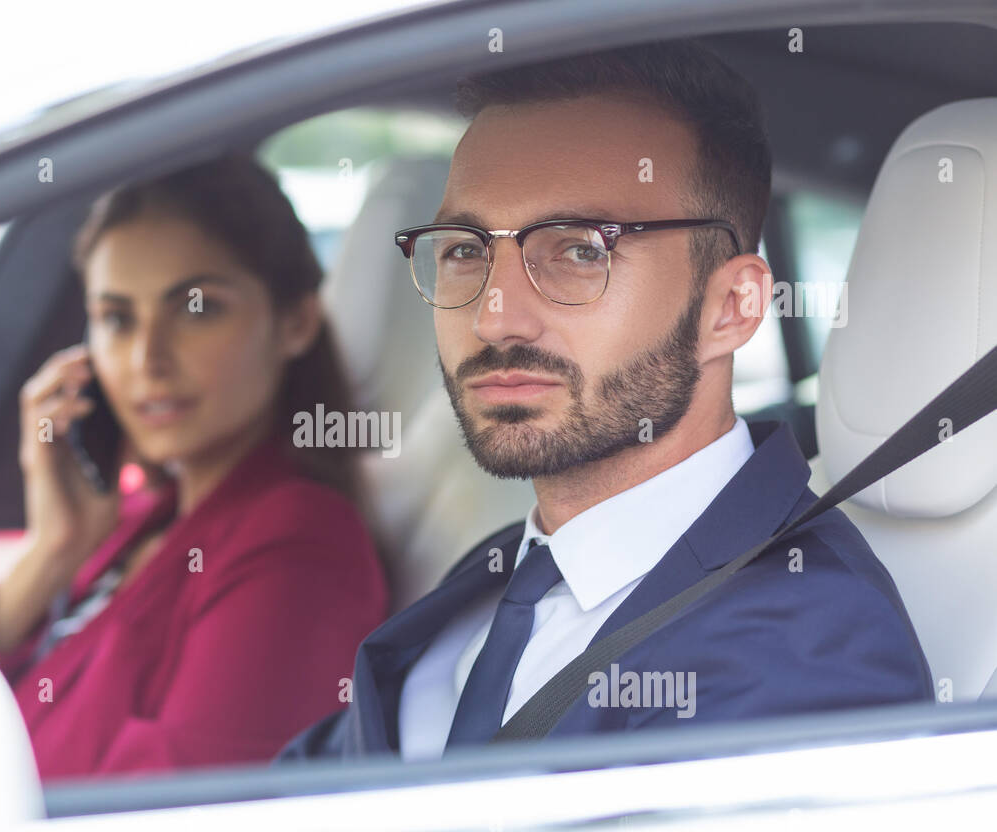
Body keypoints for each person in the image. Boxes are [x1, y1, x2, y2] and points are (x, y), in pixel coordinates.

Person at [278, 40, 934, 763]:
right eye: (465, 249)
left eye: (580, 249)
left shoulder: (806, 648)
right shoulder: (501, 573)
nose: (495, 318)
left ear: (734, 305)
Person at [0, 153, 388, 780]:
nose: (145, 360)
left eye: (196, 309)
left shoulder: (298, 544)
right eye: (117, 319)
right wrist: (54, 550)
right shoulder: (140, 518)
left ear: (293, 323)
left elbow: (171, 830)